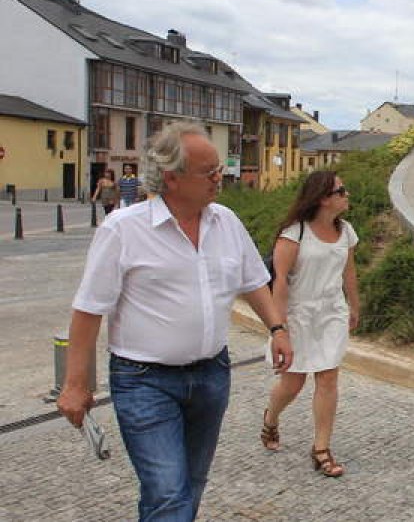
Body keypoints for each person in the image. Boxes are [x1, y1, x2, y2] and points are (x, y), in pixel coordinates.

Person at [57, 122, 293, 521]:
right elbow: (88, 310)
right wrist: (76, 385)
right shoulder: (123, 229)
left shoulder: (227, 222)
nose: (221, 179)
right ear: (172, 177)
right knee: (167, 491)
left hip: (212, 376)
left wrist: (277, 328)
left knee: (190, 485)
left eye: (220, 169)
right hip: (143, 380)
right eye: (210, 172)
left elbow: (253, 281)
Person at [261, 170, 360, 478]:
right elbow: (280, 285)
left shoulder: (346, 232)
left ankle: (321, 449)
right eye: (341, 191)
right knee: (293, 383)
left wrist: (354, 306)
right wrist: (280, 329)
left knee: (328, 379)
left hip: (331, 313)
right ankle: (271, 419)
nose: (347, 195)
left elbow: (349, 273)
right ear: (322, 199)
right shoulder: (294, 234)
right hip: (298, 316)